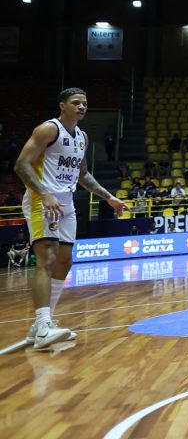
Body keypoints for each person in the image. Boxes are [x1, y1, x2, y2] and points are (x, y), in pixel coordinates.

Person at [14, 88, 127, 349]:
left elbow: (83, 174)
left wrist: (108, 197)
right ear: (62, 105)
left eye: (85, 103)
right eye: (76, 103)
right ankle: (43, 324)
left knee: (65, 261)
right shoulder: (48, 129)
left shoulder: (82, 137)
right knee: (47, 258)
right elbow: (21, 164)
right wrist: (44, 194)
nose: (82, 107)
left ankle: (43, 326)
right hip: (42, 201)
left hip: (66, 203)